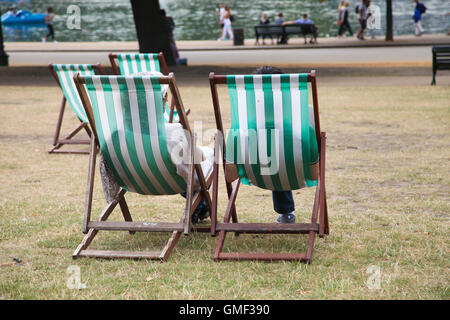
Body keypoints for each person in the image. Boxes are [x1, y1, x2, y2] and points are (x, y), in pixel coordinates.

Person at [225, 66, 319, 224]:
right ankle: (286, 213)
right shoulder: (303, 132)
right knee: (279, 152)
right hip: (291, 175)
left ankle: (285, 212)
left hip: (257, 176)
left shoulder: (237, 132)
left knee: (273, 151)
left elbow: (231, 176)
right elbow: (313, 175)